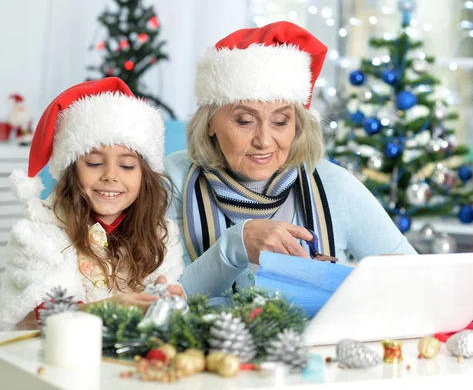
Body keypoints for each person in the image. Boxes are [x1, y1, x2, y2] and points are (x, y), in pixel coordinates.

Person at [166, 21, 417, 299]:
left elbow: (418, 276)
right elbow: (156, 298)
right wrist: (237, 245)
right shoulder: (171, 180)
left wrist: (387, 281)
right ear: (210, 121)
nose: (264, 140)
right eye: (245, 121)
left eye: (280, 121)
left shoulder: (334, 185)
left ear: (297, 124)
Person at [0, 78, 184, 331]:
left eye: (127, 166)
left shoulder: (161, 234)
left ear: (145, 175)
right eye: (95, 163)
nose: (110, 175)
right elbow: (43, 315)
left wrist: (168, 298)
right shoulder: (38, 233)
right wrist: (110, 309)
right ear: (72, 170)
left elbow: (163, 295)